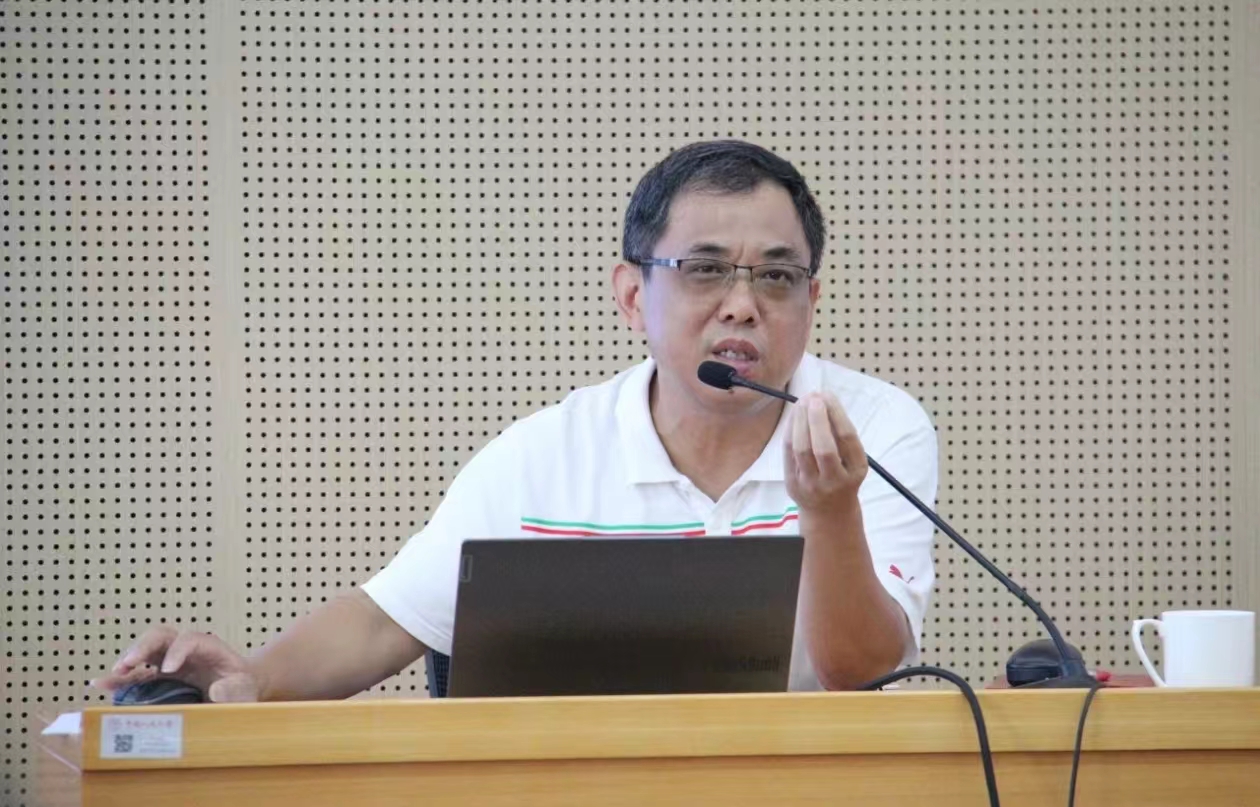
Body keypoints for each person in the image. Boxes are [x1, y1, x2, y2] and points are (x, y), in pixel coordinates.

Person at [93, 140, 938, 701]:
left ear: (812, 298)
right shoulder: (544, 454)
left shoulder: (874, 429)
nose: (744, 306)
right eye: (705, 269)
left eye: (777, 277)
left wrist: (829, 511)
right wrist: (249, 679)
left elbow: (864, 672)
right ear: (633, 295)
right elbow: (387, 619)